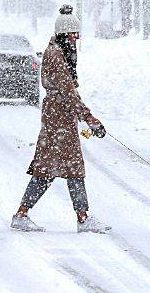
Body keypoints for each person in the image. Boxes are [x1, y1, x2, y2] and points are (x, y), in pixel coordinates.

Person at [10, 21, 108, 233]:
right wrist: (90, 119)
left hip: (58, 117)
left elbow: (69, 90)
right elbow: (68, 92)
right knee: (66, 168)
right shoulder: (56, 55)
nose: (75, 40)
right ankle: (81, 218)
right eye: (73, 35)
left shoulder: (58, 52)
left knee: (51, 169)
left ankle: (24, 213)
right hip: (59, 119)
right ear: (64, 34)